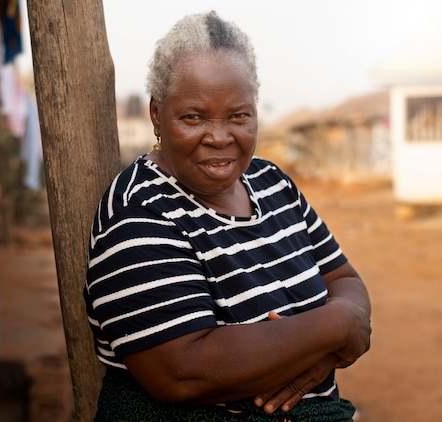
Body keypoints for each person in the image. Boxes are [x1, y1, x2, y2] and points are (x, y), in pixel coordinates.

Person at [84, 11, 371, 422]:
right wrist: (337, 328)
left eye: (238, 116)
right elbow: (181, 373)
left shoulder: (272, 183)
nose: (219, 137)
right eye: (193, 117)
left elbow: (344, 280)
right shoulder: (138, 216)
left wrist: (333, 330)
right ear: (156, 115)